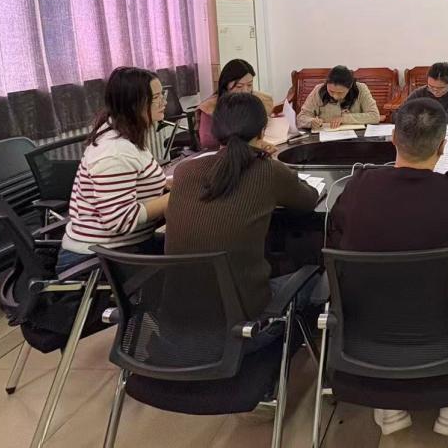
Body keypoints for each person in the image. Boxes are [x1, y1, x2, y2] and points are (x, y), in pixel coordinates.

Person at [326, 98, 448, 438]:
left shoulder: (358, 188)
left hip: (368, 328)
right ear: (443, 147)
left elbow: (335, 238)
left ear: (393, 139)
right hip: (444, 328)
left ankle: (388, 404)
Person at [164, 92, 319, 319]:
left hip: (176, 318)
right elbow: (309, 199)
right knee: (315, 280)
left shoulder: (184, 170)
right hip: (244, 323)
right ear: (262, 130)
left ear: (216, 131)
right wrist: (272, 164)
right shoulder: (267, 171)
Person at [58, 67, 171, 271]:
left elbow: (135, 182)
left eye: (162, 95)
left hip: (124, 247)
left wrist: (171, 183)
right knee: (196, 256)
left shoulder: (126, 133)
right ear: (133, 104)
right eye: (156, 98)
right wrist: (176, 197)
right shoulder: (115, 152)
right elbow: (120, 220)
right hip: (99, 258)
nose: (164, 102)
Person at [197, 59, 274, 150]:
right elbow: (207, 141)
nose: (245, 91)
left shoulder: (259, 100)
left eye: (249, 85)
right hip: (222, 152)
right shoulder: (210, 107)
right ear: (226, 85)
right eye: (239, 86)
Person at [297, 65, 380, 130]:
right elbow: (301, 118)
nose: (335, 96)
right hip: (325, 137)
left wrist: (344, 119)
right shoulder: (318, 90)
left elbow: (375, 116)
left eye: (340, 93)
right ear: (326, 84)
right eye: (331, 91)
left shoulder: (361, 89)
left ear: (350, 86)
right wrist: (311, 121)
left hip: (355, 138)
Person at [404, 62, 448, 126]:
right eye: (431, 86)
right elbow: (399, 113)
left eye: (440, 88)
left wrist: (436, 118)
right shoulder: (420, 93)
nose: (435, 91)